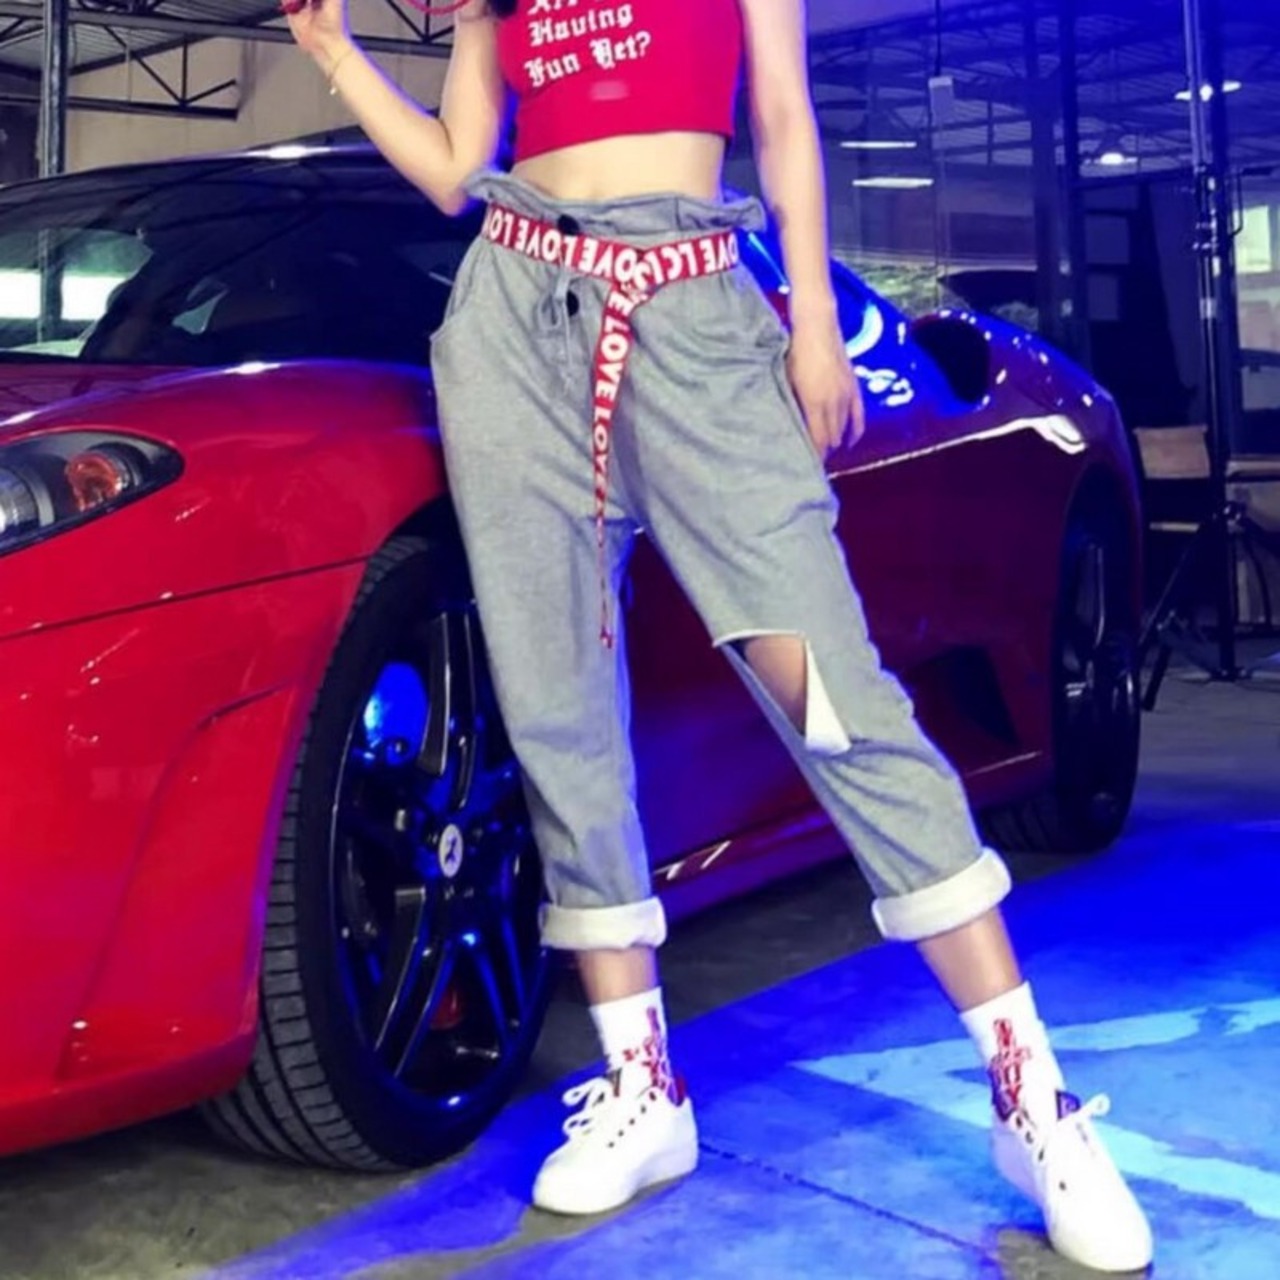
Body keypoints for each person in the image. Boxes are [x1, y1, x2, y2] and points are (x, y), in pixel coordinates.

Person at [283, 0, 1153, 1271]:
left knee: (829, 695)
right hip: (513, 318)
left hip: (691, 311)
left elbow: (784, 118)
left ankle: (1032, 1094)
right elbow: (455, 170)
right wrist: (330, 50)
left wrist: (813, 325)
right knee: (555, 704)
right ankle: (640, 1082)